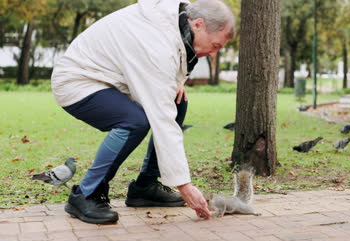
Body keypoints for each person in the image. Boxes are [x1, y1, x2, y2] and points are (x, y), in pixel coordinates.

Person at [51, 0, 235, 224]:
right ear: (198, 24)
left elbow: (177, 62)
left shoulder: (176, 24)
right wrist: (184, 185)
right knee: (134, 121)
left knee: (178, 101)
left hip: (112, 81)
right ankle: (86, 193)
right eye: (215, 46)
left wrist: (177, 80)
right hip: (78, 81)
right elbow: (162, 118)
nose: (214, 54)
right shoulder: (155, 43)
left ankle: (145, 186)